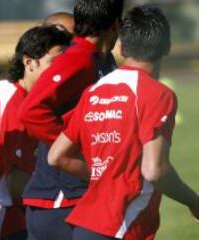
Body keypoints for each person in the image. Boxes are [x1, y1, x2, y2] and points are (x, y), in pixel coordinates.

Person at [48, 5, 199, 240]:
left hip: (84, 227)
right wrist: (194, 201)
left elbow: (57, 156)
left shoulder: (94, 91)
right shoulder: (158, 94)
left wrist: (103, 176)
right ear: (167, 47)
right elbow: (154, 170)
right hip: (121, 228)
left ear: (120, 46)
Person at [18, 0, 123, 239]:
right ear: (117, 24)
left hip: (82, 194)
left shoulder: (103, 59)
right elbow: (30, 111)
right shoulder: (78, 57)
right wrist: (71, 148)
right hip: (60, 199)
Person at [0, 25, 71, 240]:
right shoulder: (20, 110)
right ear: (29, 62)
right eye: (54, 64)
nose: (61, 72)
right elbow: (16, 184)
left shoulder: (2, 88)